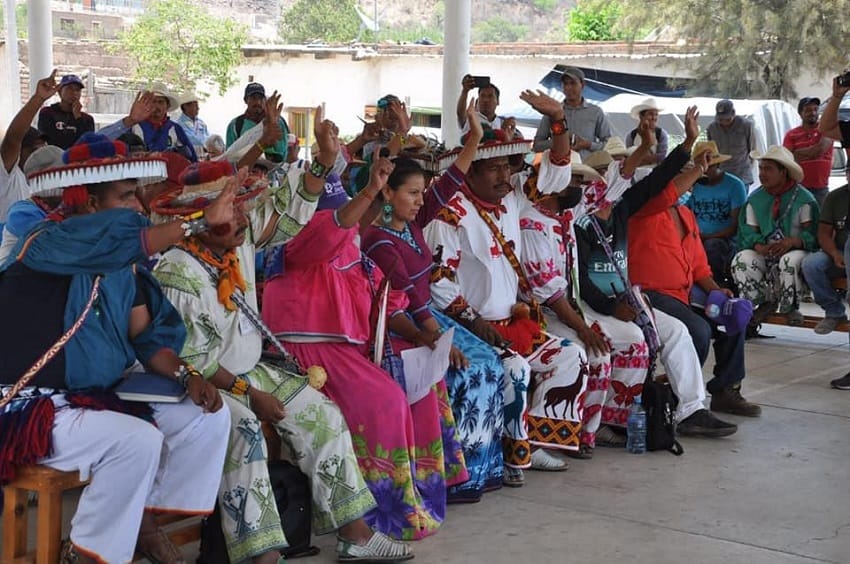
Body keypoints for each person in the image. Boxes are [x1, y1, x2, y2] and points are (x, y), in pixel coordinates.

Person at [154, 156, 412, 563]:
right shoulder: (179, 270)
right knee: (246, 433)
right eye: (232, 208)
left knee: (321, 412)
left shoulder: (234, 241)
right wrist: (252, 397)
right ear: (201, 219)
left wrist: (325, 163)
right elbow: (193, 361)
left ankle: (355, 535)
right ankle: (263, 555)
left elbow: (290, 218)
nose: (243, 216)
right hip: (200, 384)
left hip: (246, 371)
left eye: (242, 205)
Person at [0, 135, 234, 563]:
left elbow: (146, 337)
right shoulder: (47, 242)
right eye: (126, 196)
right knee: (136, 441)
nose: (140, 208)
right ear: (88, 202)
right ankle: (91, 554)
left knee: (209, 417)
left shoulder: (124, 265)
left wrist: (188, 376)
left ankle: (139, 521)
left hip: (95, 400)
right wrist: (200, 221)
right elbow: (123, 240)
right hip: (31, 406)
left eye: (139, 196)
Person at [262, 152, 466, 540]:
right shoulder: (299, 241)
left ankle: (419, 490)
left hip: (350, 349)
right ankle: (376, 513)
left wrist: (425, 336)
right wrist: (373, 187)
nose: (348, 219)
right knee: (385, 400)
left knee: (422, 386)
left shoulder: (349, 242)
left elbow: (384, 298)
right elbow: (335, 228)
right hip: (307, 353)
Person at [426, 90, 591, 487]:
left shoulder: (513, 198)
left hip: (512, 323)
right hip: (468, 328)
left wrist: (558, 122)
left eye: (507, 167)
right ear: (469, 173)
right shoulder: (451, 212)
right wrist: (473, 322)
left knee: (571, 356)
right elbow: (438, 281)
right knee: (514, 369)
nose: (506, 176)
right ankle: (513, 458)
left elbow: (555, 172)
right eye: (494, 169)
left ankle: (536, 444)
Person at [362, 102, 506, 501]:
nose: (420, 199)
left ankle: (482, 471)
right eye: (412, 193)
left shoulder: (412, 223)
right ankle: (451, 479)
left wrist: (475, 138)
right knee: (470, 370)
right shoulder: (379, 241)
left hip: (429, 323)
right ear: (387, 194)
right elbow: (411, 305)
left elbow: (450, 183)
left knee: (491, 363)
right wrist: (442, 342)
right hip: (404, 330)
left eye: (420, 193)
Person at [575, 112, 739, 438]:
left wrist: (687, 143)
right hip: (593, 305)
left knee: (678, 332)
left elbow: (656, 180)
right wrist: (611, 307)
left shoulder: (622, 209)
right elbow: (581, 280)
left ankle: (692, 410)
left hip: (626, 300)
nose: (610, 189)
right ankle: (614, 421)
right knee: (637, 340)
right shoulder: (578, 225)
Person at [628, 125, 762, 419]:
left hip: (685, 292)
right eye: (683, 179)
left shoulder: (685, 213)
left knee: (734, 314)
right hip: (651, 294)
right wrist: (692, 162)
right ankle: (683, 403)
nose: (688, 184)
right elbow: (666, 193)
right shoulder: (644, 208)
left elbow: (699, 265)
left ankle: (725, 390)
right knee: (698, 330)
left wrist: (716, 290)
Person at [732, 146, 819, 325]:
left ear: (783, 172)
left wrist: (793, 241)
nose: (762, 173)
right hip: (767, 250)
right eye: (761, 168)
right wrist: (759, 247)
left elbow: (813, 234)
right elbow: (748, 232)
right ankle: (763, 302)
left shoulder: (804, 199)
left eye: (768, 169)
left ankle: (790, 307)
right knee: (741, 260)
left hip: (797, 250)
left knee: (789, 261)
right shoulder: (755, 199)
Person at [685, 141, 748, 286]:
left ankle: (717, 286)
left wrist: (705, 237)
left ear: (718, 165)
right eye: (701, 167)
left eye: (709, 166)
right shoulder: (696, 185)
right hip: (698, 237)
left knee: (712, 247)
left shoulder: (734, 185)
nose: (705, 171)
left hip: (723, 240)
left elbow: (735, 226)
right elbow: (686, 211)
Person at [1, 72, 53, 242]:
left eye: (43, 149)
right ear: (19, 152)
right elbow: (13, 137)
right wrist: (38, 99)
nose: (41, 156)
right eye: (34, 150)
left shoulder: (43, 184)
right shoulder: (7, 176)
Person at [800, 166, 849, 334]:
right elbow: (823, 232)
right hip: (840, 252)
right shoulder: (836, 197)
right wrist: (834, 253)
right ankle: (833, 310)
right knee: (811, 264)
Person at [99, 84, 198, 162]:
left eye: (160, 102)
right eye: (153, 102)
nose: (156, 106)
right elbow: (103, 141)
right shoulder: (134, 125)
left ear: (167, 106)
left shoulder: (175, 128)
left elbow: (192, 157)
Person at [532, 66, 611, 159]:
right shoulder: (553, 112)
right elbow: (537, 146)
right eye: (565, 84)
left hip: (587, 169)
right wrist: (561, 141)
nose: (568, 87)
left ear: (582, 84)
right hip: (559, 169)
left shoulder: (595, 112)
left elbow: (609, 145)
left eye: (573, 83)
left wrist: (588, 144)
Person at [783, 96, 833, 207]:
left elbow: (820, 149)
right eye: (808, 110)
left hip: (821, 189)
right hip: (798, 188)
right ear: (800, 113)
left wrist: (798, 153)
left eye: (815, 109)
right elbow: (789, 158)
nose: (813, 113)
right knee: (799, 222)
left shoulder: (826, 129)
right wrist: (812, 151)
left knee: (821, 222)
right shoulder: (791, 134)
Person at [226, 82, 291, 163]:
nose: (258, 102)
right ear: (246, 100)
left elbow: (284, 150)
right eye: (253, 98)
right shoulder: (235, 125)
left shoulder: (277, 121)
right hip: (245, 171)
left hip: (273, 170)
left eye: (261, 98)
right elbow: (230, 156)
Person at [707, 99, 757, 187]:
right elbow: (712, 153)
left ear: (733, 113)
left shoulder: (746, 125)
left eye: (727, 119)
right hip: (721, 176)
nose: (724, 122)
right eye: (720, 119)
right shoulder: (712, 128)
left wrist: (749, 167)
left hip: (742, 175)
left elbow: (752, 150)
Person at [37, 74, 95, 149]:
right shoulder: (47, 113)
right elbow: (49, 141)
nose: (74, 93)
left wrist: (78, 117)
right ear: (60, 92)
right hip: (53, 157)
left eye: (77, 90)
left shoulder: (87, 119)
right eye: (69, 88)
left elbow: (85, 144)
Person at [625, 97, 668, 166]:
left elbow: (662, 156)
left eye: (656, 114)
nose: (654, 117)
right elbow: (628, 156)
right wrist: (649, 158)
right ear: (641, 116)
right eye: (650, 114)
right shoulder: (631, 135)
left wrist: (640, 158)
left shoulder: (661, 134)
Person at [174, 91, 210, 158]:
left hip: (203, 157)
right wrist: (208, 143)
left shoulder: (201, 123)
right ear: (185, 106)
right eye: (195, 105)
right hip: (188, 159)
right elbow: (192, 140)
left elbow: (209, 138)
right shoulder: (179, 125)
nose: (198, 108)